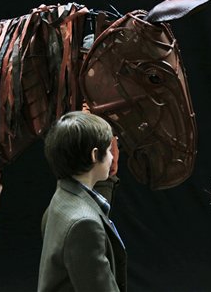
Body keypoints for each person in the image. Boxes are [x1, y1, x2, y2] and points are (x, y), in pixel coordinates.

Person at [38, 111, 127, 292]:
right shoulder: (84, 224)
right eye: (109, 150)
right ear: (95, 155)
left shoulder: (61, 197)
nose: (112, 157)